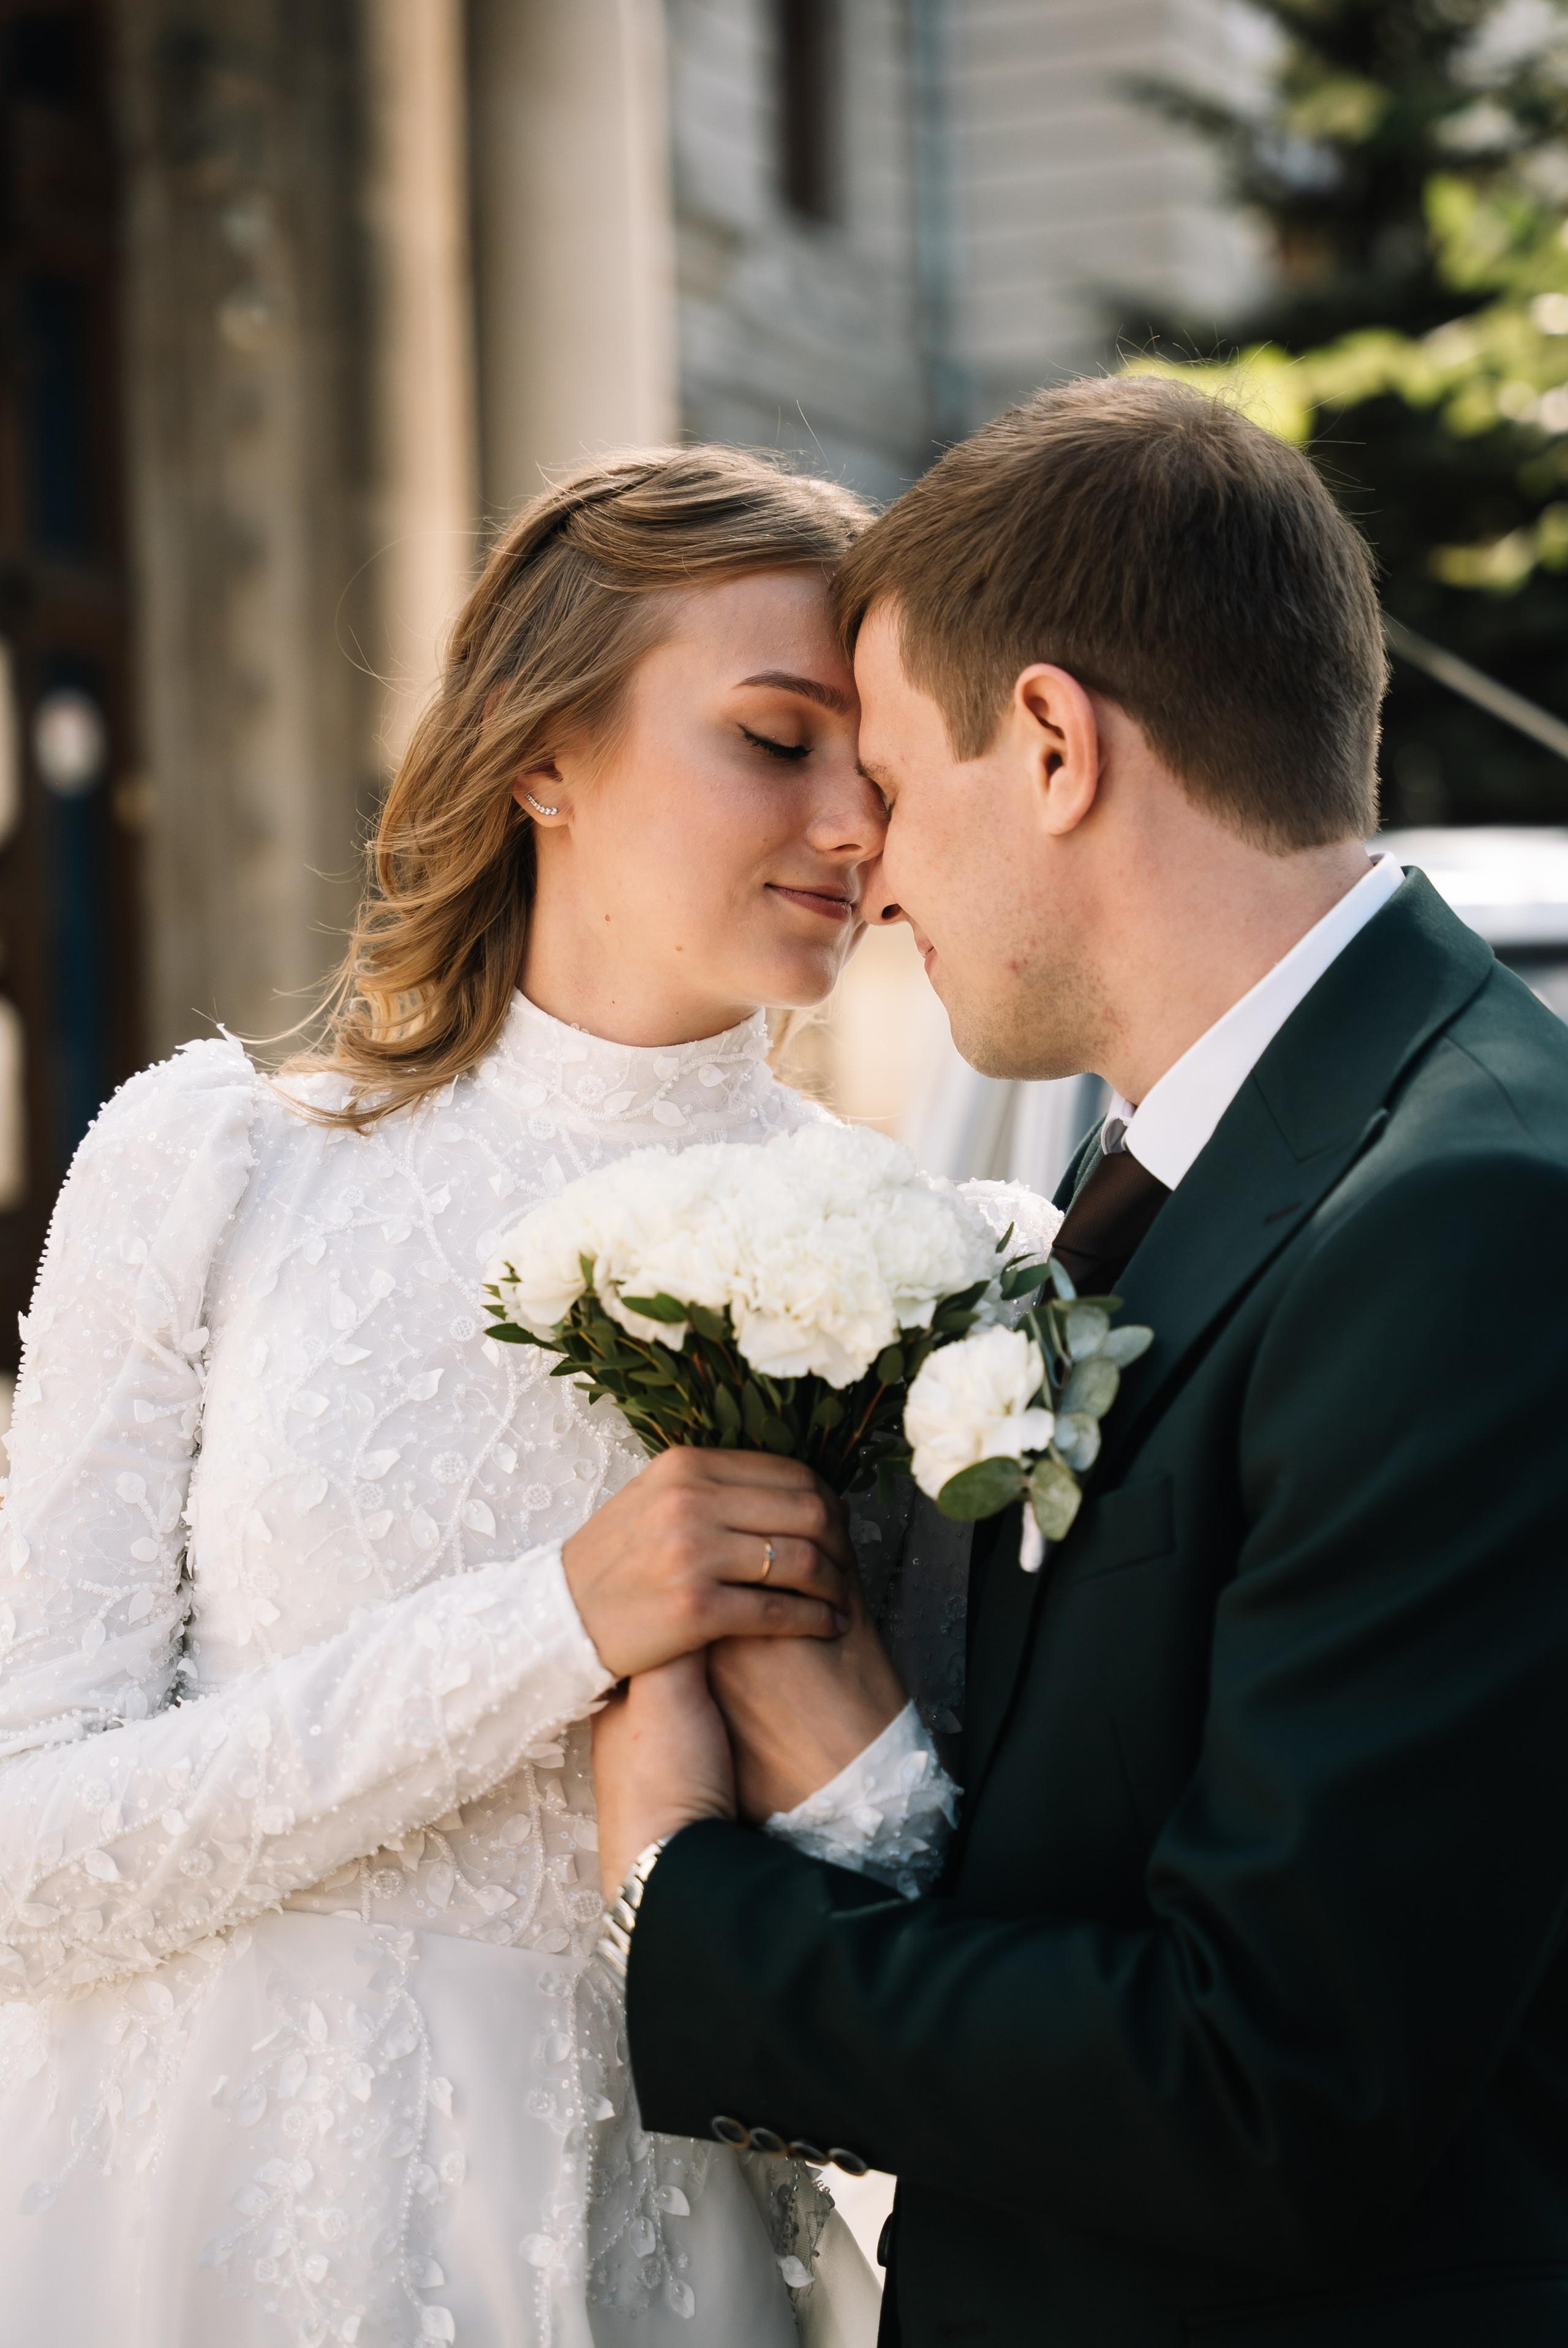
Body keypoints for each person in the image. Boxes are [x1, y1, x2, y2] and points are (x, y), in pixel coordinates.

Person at [593, 377, 1568, 2347]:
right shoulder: (1221, 1172)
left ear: (1051, 744)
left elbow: (1270, 2084)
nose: (869, 873)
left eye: (890, 778)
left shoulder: (1459, 1220)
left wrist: (689, 1903)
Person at [0, 447, 911, 2347]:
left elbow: (933, 1908)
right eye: (775, 739)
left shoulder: (924, 1269)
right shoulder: (219, 1169)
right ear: (542, 754)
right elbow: (29, 1868)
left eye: (885, 766)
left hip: (642, 2239)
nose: (851, 822)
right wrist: (557, 1621)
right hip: (196, 2228)